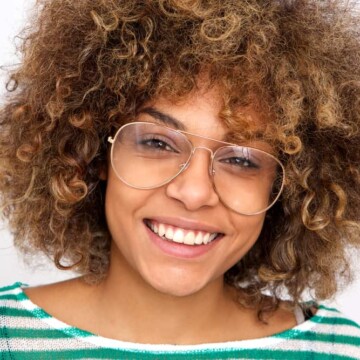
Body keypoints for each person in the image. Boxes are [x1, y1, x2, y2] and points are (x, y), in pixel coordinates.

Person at [0, 0, 359, 358]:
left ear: (287, 186)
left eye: (241, 159)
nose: (194, 192)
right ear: (95, 154)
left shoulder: (336, 350)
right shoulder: (10, 339)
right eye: (157, 142)